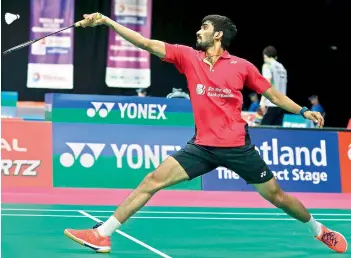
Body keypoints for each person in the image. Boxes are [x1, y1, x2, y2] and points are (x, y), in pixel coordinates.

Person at [64, 13, 347, 254]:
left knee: (278, 197)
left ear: (218, 35)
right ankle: (102, 233)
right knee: (152, 180)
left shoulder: (242, 67)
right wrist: (108, 22)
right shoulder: (188, 57)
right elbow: (146, 43)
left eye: (205, 27)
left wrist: (302, 111)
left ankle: (318, 229)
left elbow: (272, 95)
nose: (198, 31)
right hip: (202, 147)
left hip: (237, 146)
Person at [259, 46, 287, 126]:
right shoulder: (282, 67)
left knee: (262, 131)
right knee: (276, 134)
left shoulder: (267, 65)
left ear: (265, 55)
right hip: (282, 105)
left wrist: (262, 102)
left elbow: (267, 83)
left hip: (271, 104)